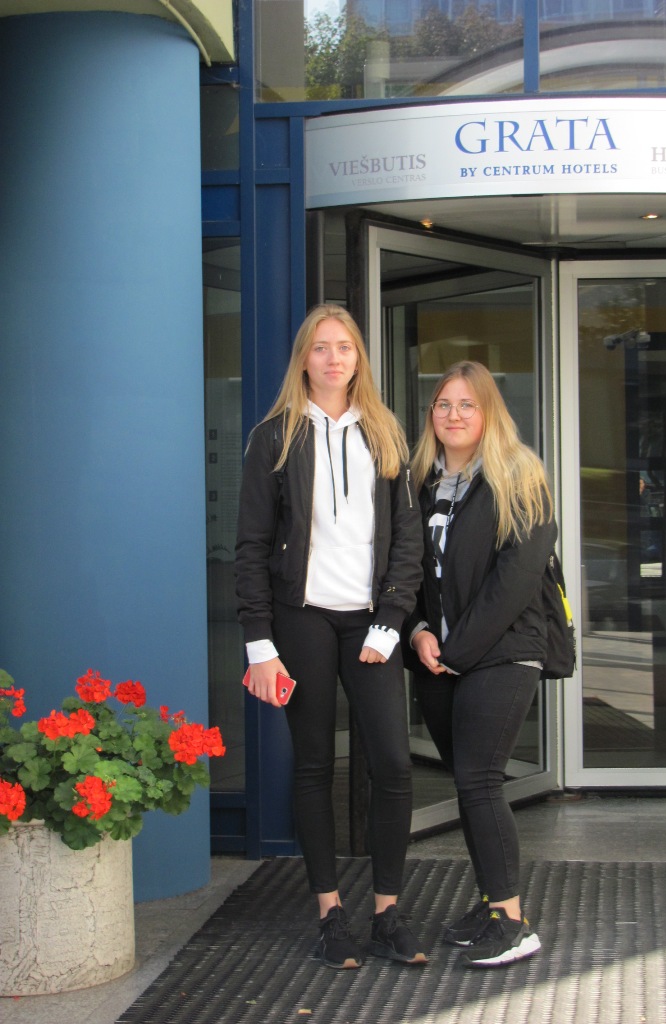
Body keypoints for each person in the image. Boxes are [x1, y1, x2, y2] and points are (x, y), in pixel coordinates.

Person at [234, 304, 426, 970]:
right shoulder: (274, 437)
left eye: (344, 347)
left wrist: (391, 620)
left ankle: (387, 913)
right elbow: (251, 546)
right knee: (314, 763)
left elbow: (408, 543)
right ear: (304, 359)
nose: (333, 358)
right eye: (321, 347)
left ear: (358, 358)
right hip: (303, 618)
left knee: (393, 764)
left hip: (371, 623)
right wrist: (260, 644)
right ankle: (330, 914)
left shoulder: (386, 432)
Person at [406, 360, 557, 969]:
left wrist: (457, 652)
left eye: (467, 404)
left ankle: (514, 925)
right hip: (437, 659)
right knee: (468, 787)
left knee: (479, 781)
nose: (454, 415)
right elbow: (407, 570)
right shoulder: (420, 483)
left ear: (488, 411)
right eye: (443, 404)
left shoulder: (520, 476)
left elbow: (515, 580)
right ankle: (495, 904)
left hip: (502, 652)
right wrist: (418, 632)